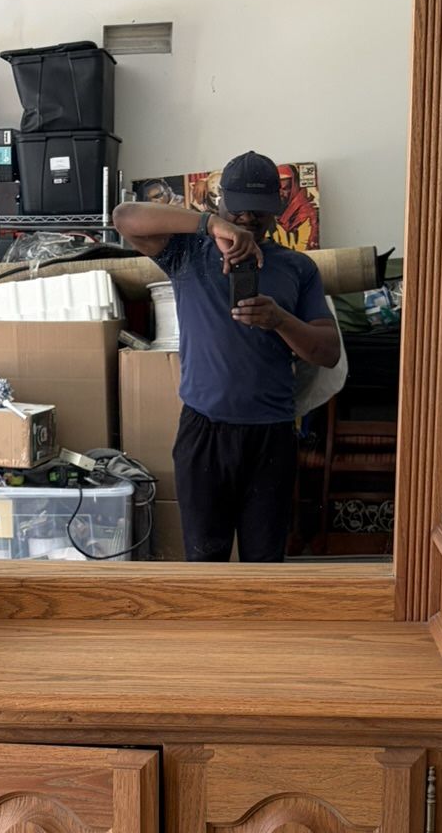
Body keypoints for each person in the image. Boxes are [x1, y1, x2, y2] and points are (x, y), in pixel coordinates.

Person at [113, 150, 340, 561]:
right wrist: (209, 225)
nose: (249, 218)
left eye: (259, 210)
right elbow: (124, 217)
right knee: (205, 562)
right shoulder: (187, 252)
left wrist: (280, 320)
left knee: (264, 564)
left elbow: (327, 352)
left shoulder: (298, 268)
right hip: (205, 432)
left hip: (271, 435)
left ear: (276, 209)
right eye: (239, 209)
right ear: (221, 202)